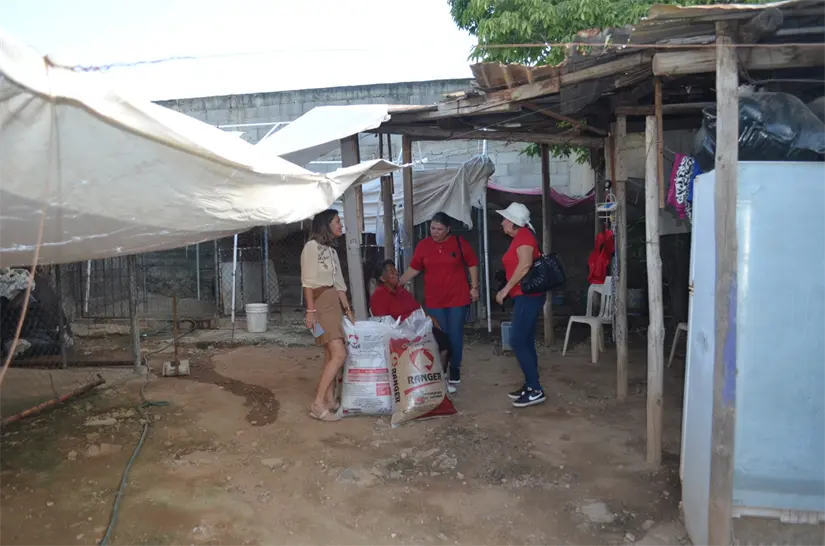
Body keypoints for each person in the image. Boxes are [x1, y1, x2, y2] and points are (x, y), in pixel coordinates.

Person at [398, 212, 479, 386]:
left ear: (448, 229)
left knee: (455, 336)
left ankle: (455, 370)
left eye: (439, 229)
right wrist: (400, 282)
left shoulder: (458, 243)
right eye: (432, 228)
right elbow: (414, 268)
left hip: (458, 298)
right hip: (434, 300)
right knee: (439, 336)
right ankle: (440, 373)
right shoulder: (423, 246)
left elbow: (472, 263)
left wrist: (474, 287)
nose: (435, 232)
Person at [300, 209, 355, 422]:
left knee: (330, 354)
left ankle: (330, 400)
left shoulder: (331, 251)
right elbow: (308, 283)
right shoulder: (311, 248)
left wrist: (348, 310)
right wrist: (311, 312)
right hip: (320, 305)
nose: (341, 225)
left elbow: (339, 284)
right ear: (326, 225)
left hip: (333, 305)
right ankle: (317, 402)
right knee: (339, 354)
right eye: (337, 221)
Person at [370, 259, 456, 394]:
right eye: (391, 272)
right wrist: (405, 333)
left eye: (395, 270)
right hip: (399, 335)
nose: (396, 274)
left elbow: (418, 310)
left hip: (416, 329)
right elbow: (383, 323)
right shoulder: (379, 296)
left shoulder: (402, 291)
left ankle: (440, 380)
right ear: (382, 278)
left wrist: (430, 319)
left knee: (444, 343)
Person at [494, 202, 546, 408]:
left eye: (505, 219)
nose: (502, 222)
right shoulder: (521, 236)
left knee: (517, 340)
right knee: (525, 341)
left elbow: (525, 266)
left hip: (527, 296)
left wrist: (505, 290)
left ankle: (535, 389)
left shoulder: (524, 236)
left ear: (514, 222)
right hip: (525, 297)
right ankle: (531, 385)